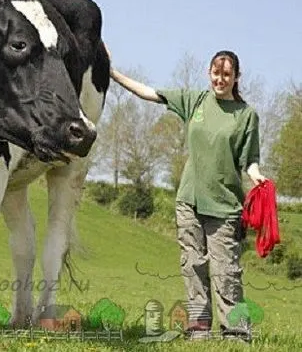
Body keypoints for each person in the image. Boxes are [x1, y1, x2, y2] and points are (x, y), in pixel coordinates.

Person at [110, 50, 266, 341]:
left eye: (227, 75)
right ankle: (199, 327)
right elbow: (150, 93)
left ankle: (237, 332)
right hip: (189, 200)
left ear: (236, 77)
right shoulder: (196, 101)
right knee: (192, 265)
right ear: (210, 73)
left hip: (225, 205)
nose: (220, 79)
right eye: (216, 73)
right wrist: (113, 73)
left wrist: (257, 176)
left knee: (226, 272)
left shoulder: (246, 116)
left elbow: (250, 159)